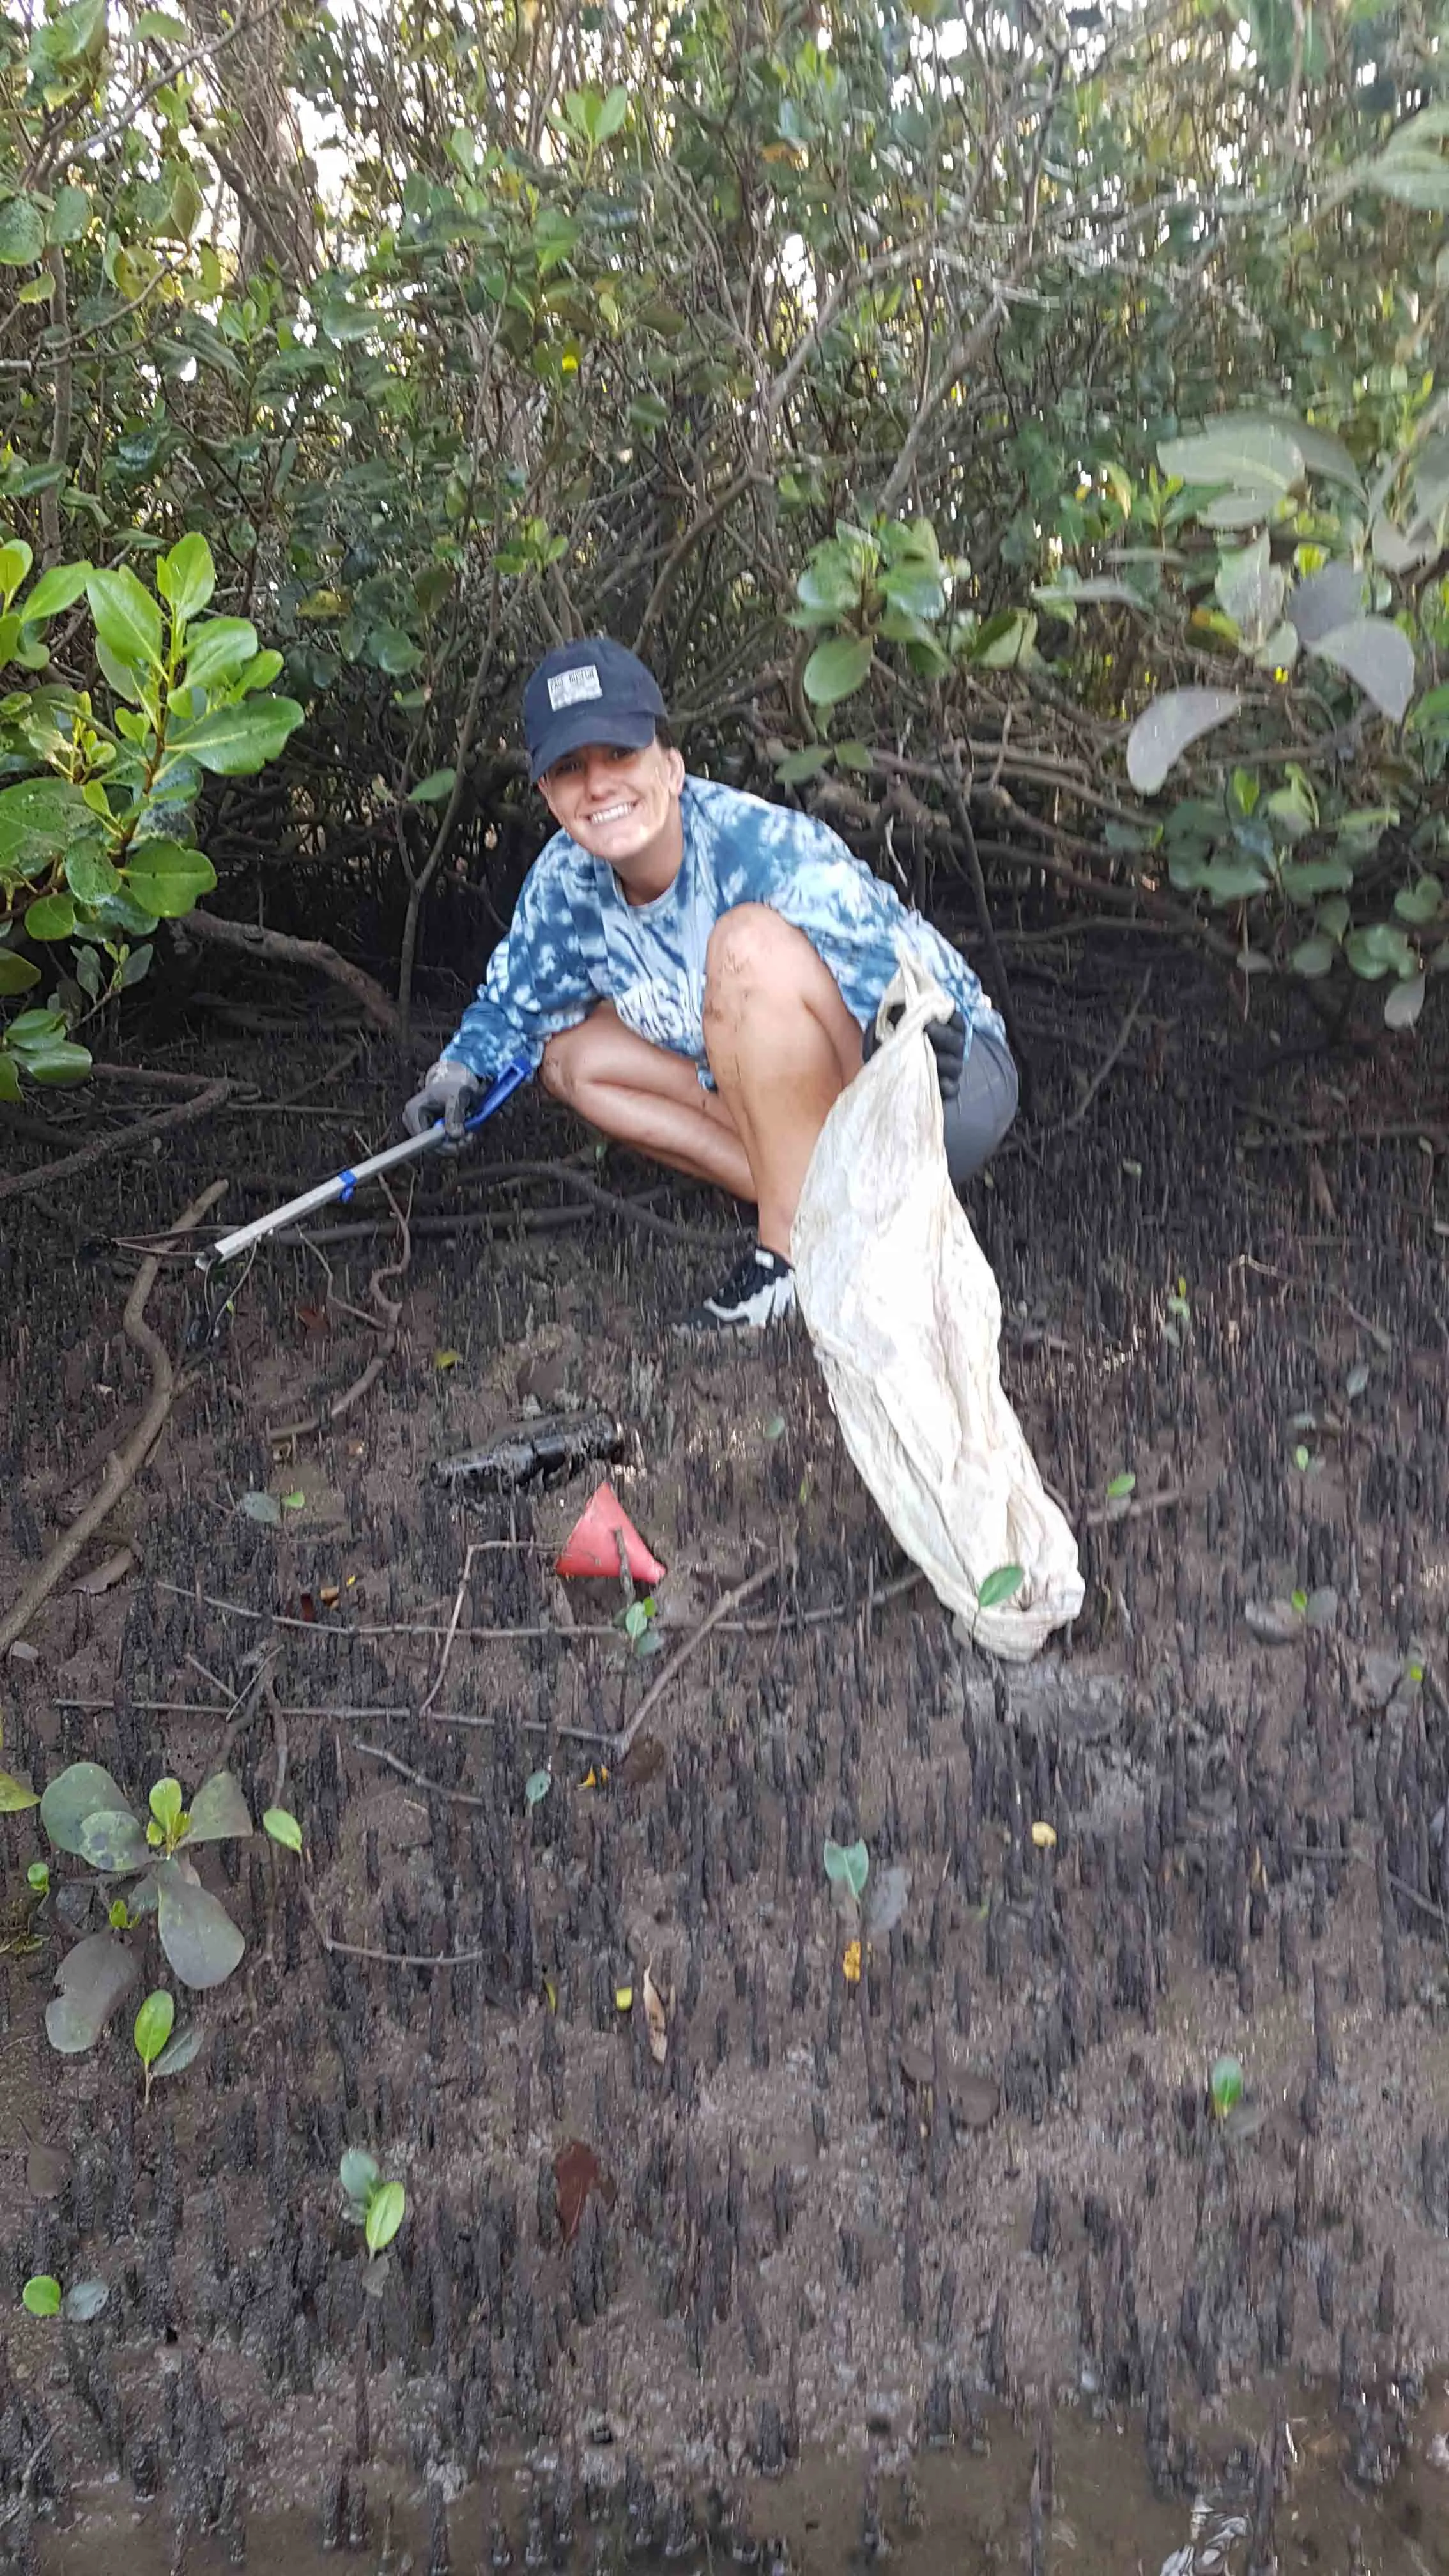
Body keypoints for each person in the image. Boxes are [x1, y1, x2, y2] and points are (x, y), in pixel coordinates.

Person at [404, 637, 1018, 1333]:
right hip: (804, 1090)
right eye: (570, 768)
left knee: (746, 946)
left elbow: (888, 959)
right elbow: (513, 1004)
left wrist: (910, 1033)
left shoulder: (752, 844)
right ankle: (829, 1210)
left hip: (948, 1080)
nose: (598, 785)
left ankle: (790, 1258)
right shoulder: (566, 884)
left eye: (620, 754)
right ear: (547, 794)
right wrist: (457, 1073)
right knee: (572, 1060)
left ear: (671, 765)